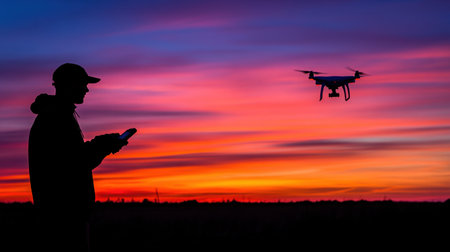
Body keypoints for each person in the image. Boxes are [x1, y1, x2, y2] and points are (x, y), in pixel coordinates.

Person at [28, 63, 128, 251]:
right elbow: (75, 164)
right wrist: (105, 145)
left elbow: (72, 157)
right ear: (70, 85)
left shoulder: (57, 114)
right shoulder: (56, 117)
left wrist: (102, 144)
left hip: (62, 214)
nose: (87, 89)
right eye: (83, 84)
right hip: (63, 216)